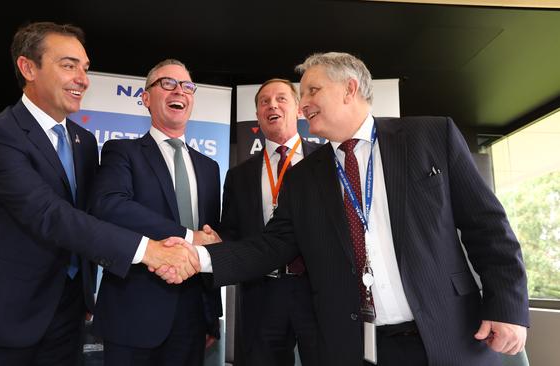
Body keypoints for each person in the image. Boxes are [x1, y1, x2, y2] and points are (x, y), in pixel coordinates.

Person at [160, 52, 529, 365]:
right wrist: (199, 257)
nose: (302, 104)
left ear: (350, 88)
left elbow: (487, 227)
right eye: (302, 95)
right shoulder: (304, 178)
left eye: (312, 91)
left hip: (447, 334)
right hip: (355, 346)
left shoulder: (431, 137)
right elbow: (270, 246)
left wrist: (507, 306)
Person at [0, 22, 197, 366]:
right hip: (2, 315)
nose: (82, 78)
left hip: (68, 314)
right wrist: (149, 250)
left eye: (85, 67)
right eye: (68, 65)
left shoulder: (84, 142)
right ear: (28, 67)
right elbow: (49, 214)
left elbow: (94, 214)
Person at [88, 59, 222, 366]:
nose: (180, 91)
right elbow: (110, 206)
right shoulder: (122, 152)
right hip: (132, 313)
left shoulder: (210, 167)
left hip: (192, 317)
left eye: (187, 86)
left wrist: (211, 314)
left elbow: (211, 235)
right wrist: (189, 237)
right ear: (146, 98)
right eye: (168, 83)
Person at [220, 79, 320, 366]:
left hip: (316, 291)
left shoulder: (326, 161)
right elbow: (231, 232)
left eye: (280, 99)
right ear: (258, 116)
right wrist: (213, 245)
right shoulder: (239, 175)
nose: (272, 105)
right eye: (264, 101)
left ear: (299, 109)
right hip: (261, 294)